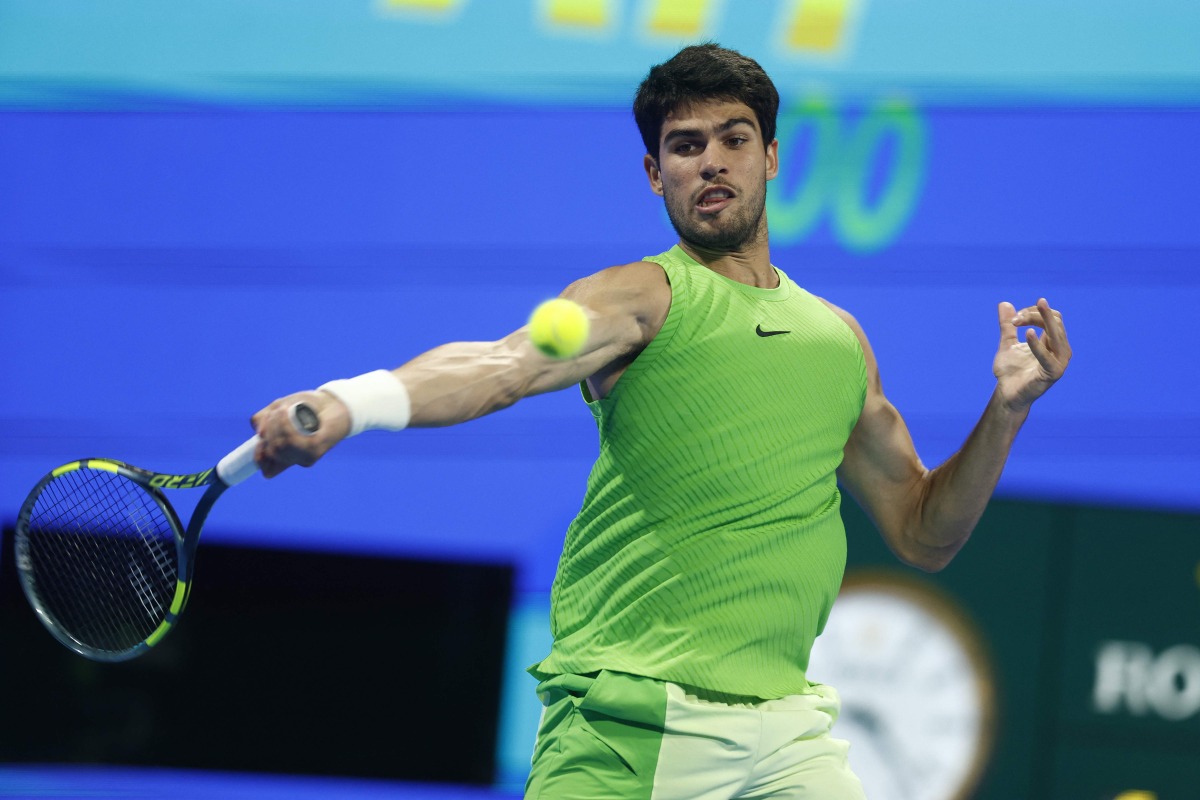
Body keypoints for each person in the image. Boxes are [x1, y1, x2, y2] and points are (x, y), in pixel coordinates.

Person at [251, 43, 1071, 799]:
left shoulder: (840, 340)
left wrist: (1005, 412)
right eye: (685, 146)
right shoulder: (640, 298)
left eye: (734, 138)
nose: (711, 160)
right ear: (655, 172)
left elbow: (924, 533)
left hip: (788, 733)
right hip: (630, 721)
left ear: (772, 156)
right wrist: (351, 402)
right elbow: (501, 368)